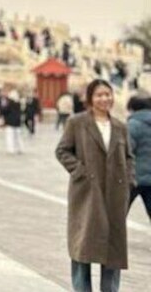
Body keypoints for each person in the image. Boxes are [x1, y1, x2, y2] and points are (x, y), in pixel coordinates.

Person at [56, 79, 134, 292]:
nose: (104, 99)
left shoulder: (120, 126)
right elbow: (62, 151)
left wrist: (128, 180)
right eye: (99, 95)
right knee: (83, 247)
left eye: (107, 94)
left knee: (113, 251)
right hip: (87, 195)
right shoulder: (77, 123)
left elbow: (128, 157)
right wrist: (81, 172)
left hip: (114, 196)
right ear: (90, 98)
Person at [127, 92, 151, 220]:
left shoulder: (133, 125)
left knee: (118, 214)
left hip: (134, 178)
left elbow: (127, 150)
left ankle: (113, 240)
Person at [0, 89, 23, 154]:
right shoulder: (18, 103)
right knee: (18, 137)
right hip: (17, 123)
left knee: (10, 136)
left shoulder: (9, 103)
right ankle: (20, 148)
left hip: (10, 122)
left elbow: (4, 111)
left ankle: (11, 149)